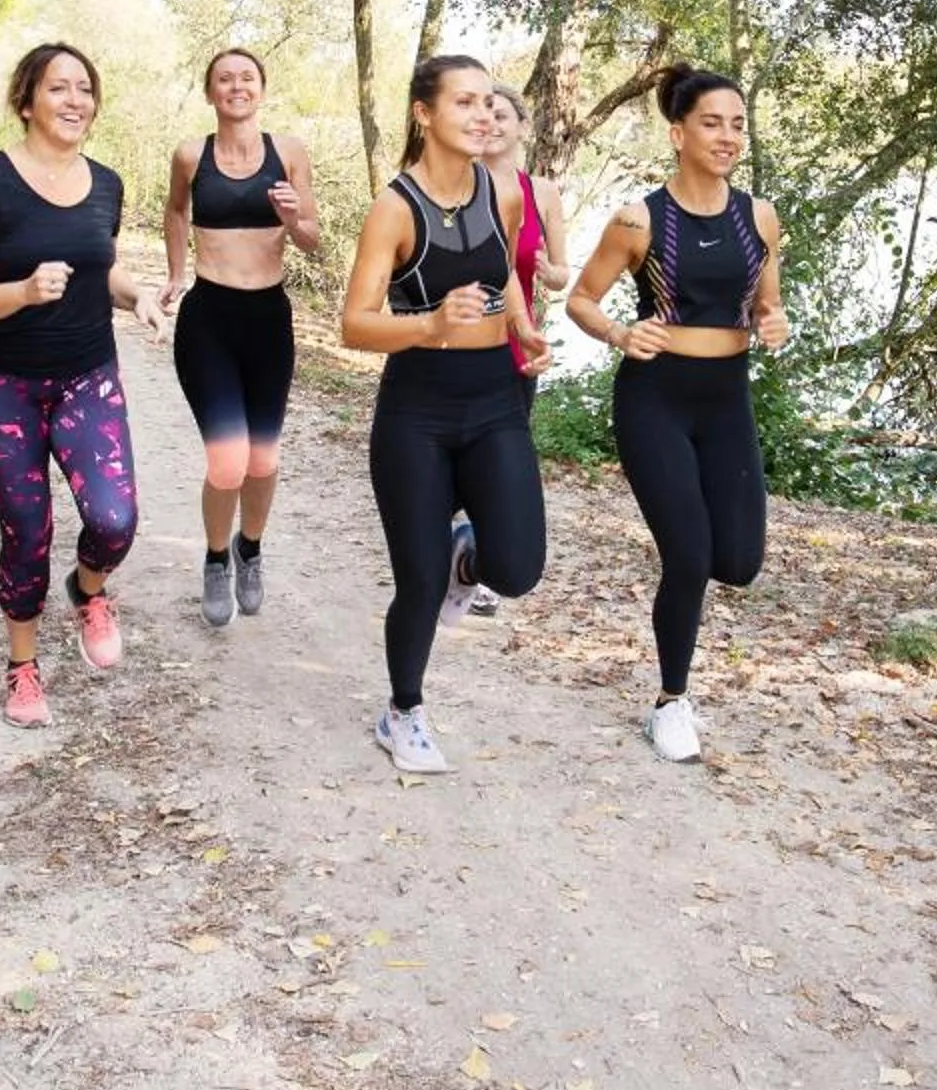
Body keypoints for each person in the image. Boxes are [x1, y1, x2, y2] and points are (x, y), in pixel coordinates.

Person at [0, 42, 167, 728]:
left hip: (87, 378)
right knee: (27, 529)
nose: (75, 101)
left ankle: (89, 588)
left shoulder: (107, 183)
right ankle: (23, 667)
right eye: (59, 88)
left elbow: (105, 268)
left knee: (114, 520)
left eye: (85, 89)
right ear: (26, 100)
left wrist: (138, 298)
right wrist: (23, 290)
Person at [563, 65, 788, 764]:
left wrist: (777, 323)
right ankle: (671, 702)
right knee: (687, 556)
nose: (728, 137)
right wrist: (621, 334)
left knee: (740, 562)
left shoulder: (760, 216)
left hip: (726, 400)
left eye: (737, 124)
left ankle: (676, 682)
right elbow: (581, 300)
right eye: (713, 123)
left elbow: (765, 305)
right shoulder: (639, 220)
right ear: (678, 132)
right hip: (654, 397)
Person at [336, 54, 551, 774]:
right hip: (418, 407)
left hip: (494, 396)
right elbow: (356, 325)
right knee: (419, 580)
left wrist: (519, 327)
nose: (483, 114)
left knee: (517, 568)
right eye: (465, 102)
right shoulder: (394, 208)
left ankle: (473, 561)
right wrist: (430, 323)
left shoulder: (503, 192)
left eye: (490, 102)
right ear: (424, 114)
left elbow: (502, 277)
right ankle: (403, 712)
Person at [160, 48, 321, 627]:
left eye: (246, 78)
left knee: (263, 458)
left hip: (268, 320)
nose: (236, 87)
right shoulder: (189, 154)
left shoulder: (289, 152)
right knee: (227, 462)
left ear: (261, 89)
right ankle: (213, 559)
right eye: (224, 79)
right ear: (210, 93)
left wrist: (291, 216)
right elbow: (175, 212)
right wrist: (177, 274)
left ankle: (249, 549)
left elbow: (312, 239)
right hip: (208, 320)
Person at [458, 84, 570, 615]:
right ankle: (444, 543)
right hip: (453, 340)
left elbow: (561, 274)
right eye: (485, 114)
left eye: (503, 115)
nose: (493, 123)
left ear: (523, 127)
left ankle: (478, 562)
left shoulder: (540, 192)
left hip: (517, 345)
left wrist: (553, 274)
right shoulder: (454, 180)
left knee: (499, 462)